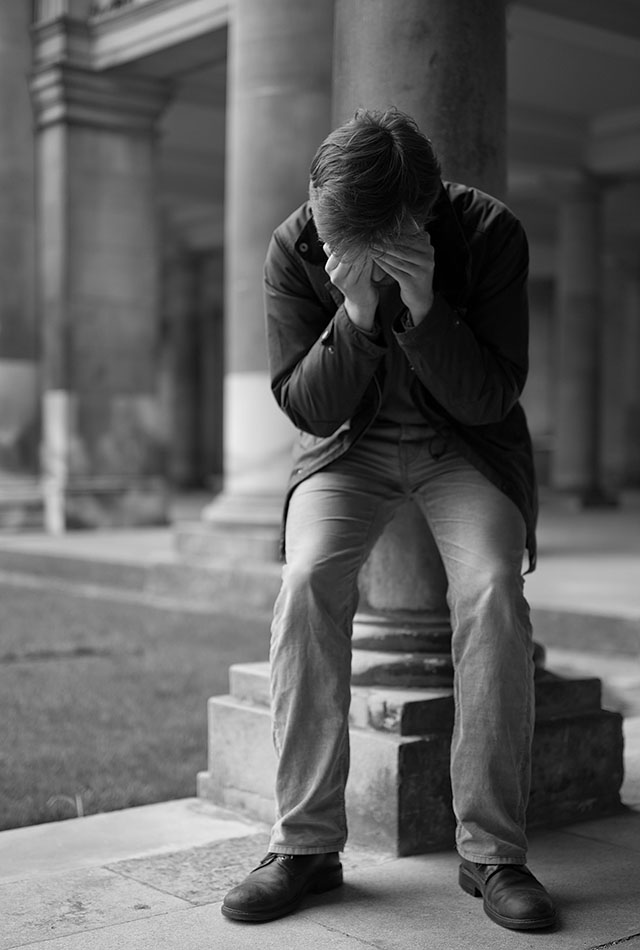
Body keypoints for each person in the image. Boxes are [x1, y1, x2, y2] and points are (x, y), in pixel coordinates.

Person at [221, 108, 557, 932]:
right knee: (305, 582)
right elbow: (305, 404)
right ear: (317, 197)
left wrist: (424, 300)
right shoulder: (295, 243)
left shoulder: (489, 233)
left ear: (425, 208)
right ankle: (304, 844)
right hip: (350, 452)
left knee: (489, 589)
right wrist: (360, 314)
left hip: (465, 452)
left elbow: (490, 397)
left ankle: (492, 855)